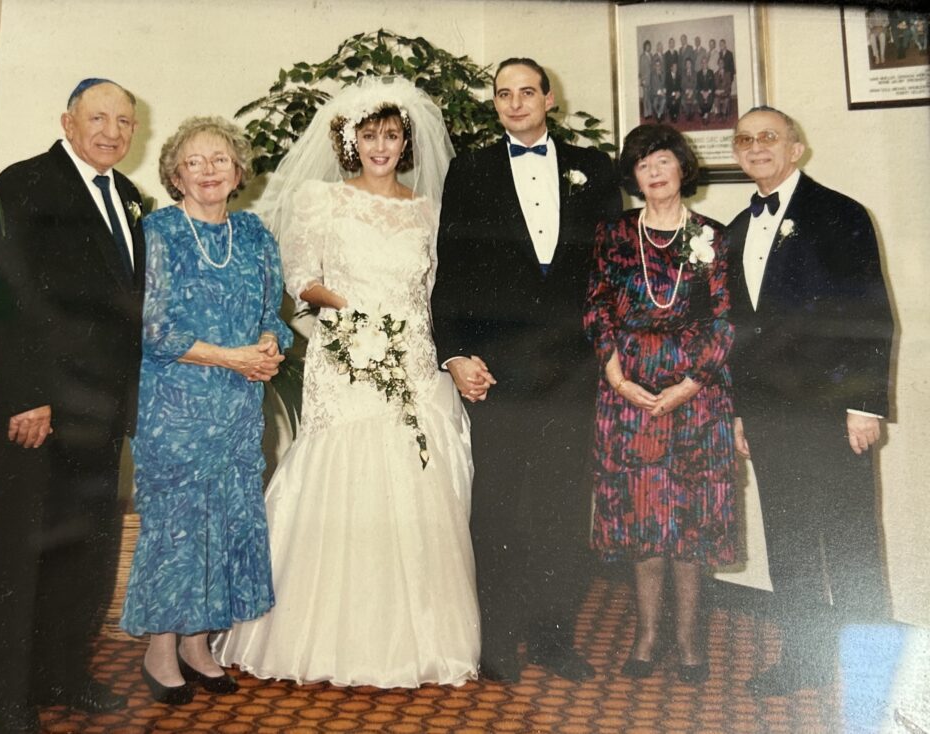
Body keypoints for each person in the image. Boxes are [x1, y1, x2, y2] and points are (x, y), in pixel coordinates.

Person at [213, 76, 479, 688]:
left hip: (413, 357)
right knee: (344, 474)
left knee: (417, 480)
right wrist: (354, 316)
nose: (380, 145)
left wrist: (420, 343)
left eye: (391, 135)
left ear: (405, 140)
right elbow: (301, 277)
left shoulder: (428, 210)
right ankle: (324, 637)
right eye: (369, 134)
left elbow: (436, 290)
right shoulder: (320, 201)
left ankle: (417, 640)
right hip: (348, 354)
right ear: (350, 139)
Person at [432, 58, 622, 683]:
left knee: (563, 505)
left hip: (573, 369)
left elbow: (612, 272)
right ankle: (498, 640)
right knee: (498, 507)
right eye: (502, 94)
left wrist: (609, 354)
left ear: (549, 99)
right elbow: (451, 270)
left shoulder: (594, 169)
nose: (514, 104)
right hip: (498, 369)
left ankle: (554, 637)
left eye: (526, 93)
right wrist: (457, 355)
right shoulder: (470, 170)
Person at [0, 79, 144, 733]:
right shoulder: (25, 183)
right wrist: (27, 396)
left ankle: (62, 674)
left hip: (99, 418)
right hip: (37, 415)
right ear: (67, 121)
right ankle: (6, 692)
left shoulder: (126, 197)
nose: (111, 131)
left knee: (86, 553)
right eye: (97, 117)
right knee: (22, 554)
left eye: (124, 122)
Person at [119, 117, 292, 703]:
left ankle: (197, 644)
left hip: (239, 409)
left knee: (223, 522)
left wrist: (268, 347)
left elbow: (272, 314)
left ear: (239, 171)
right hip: (175, 406)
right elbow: (152, 328)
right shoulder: (159, 233)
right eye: (195, 161)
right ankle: (160, 648)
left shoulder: (253, 234)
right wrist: (232, 357)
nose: (210, 170)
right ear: (175, 174)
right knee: (176, 528)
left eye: (221, 159)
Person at [727, 107, 893, 696]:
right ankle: (805, 660)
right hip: (770, 416)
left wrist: (865, 406)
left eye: (768, 137)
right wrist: (741, 412)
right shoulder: (737, 228)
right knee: (789, 539)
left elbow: (871, 314)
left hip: (833, 412)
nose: (756, 147)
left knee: (850, 543)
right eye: (744, 140)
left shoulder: (840, 213)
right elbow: (740, 335)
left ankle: (875, 673)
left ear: (796, 148)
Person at [585, 124, 735, 685]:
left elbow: (723, 320)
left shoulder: (713, 238)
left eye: (663, 161)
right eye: (643, 163)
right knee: (643, 518)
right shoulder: (614, 233)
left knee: (689, 521)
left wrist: (690, 384)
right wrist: (618, 378)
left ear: (681, 168)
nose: (653, 171)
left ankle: (690, 640)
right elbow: (597, 306)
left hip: (694, 394)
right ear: (634, 174)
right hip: (628, 389)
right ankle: (647, 635)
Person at [639, 40, 654, 120]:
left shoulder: (651, 55)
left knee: (650, 96)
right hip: (645, 80)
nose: (648, 47)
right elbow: (641, 70)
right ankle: (646, 114)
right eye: (647, 46)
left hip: (651, 79)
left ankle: (650, 112)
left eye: (649, 46)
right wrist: (642, 80)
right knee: (645, 97)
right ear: (645, 47)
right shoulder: (642, 57)